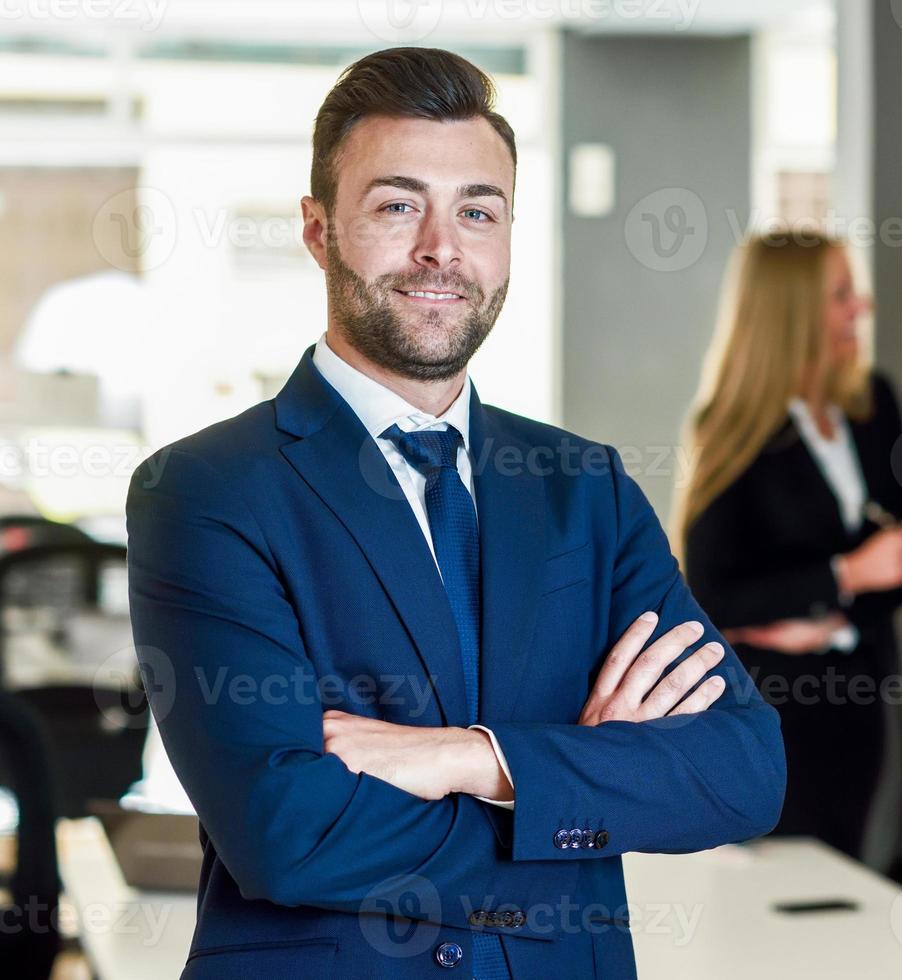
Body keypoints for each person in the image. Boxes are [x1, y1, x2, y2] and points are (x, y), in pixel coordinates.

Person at [125, 47, 784, 980]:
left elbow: (741, 773)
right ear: (317, 230)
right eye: (397, 206)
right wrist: (579, 790)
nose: (442, 248)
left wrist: (470, 758)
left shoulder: (584, 488)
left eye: (478, 211)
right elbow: (285, 832)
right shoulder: (206, 490)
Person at [677, 231, 902, 870]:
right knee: (787, 894)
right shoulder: (731, 428)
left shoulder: (874, 406)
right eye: (842, 294)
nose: (861, 309)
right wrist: (845, 574)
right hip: (773, 706)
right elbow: (709, 592)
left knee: (865, 877)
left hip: (865, 691)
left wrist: (841, 605)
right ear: (793, 311)